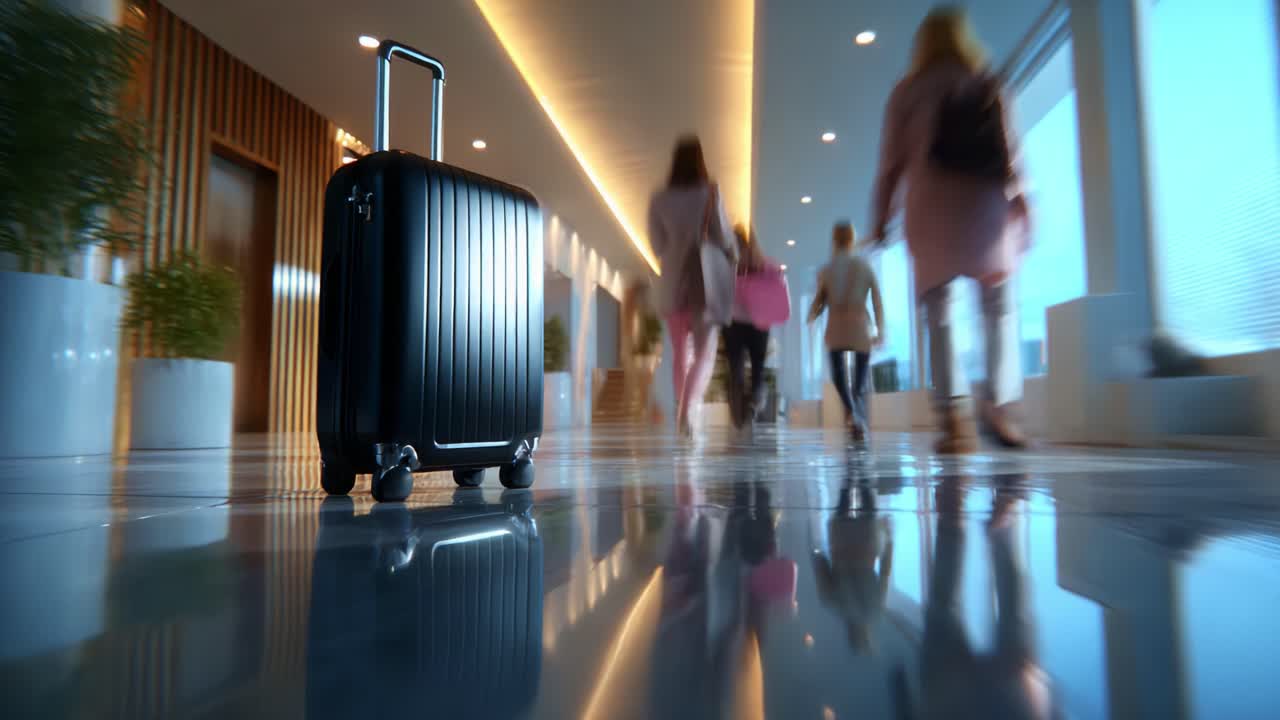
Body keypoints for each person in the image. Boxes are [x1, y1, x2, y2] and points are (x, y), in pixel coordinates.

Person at [869, 6, 1031, 453]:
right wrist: (1024, 207)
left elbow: (890, 167)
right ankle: (999, 405)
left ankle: (953, 419)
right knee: (997, 306)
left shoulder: (906, 92)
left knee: (938, 313)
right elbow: (1012, 156)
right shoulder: (987, 84)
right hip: (985, 208)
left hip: (930, 210)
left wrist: (880, 220)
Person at [649, 136, 738, 438]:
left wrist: (676, 247)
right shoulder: (710, 193)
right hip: (705, 282)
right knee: (704, 352)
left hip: (673, 283)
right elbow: (724, 237)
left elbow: (657, 245)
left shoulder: (658, 199)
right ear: (700, 159)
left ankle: (682, 409)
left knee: (679, 353)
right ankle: (688, 409)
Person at [808, 222, 885, 441]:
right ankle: (856, 412)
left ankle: (851, 411)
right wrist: (880, 329)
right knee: (860, 379)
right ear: (853, 238)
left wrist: (811, 316)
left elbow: (819, 300)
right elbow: (877, 301)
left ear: (833, 240)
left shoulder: (826, 269)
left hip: (837, 327)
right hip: (860, 327)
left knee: (838, 374)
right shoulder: (864, 266)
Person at [724, 225, 777, 429]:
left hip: (733, 323)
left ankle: (738, 420)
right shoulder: (761, 261)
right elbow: (776, 278)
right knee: (758, 370)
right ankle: (754, 405)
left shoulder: (728, 262)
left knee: (735, 369)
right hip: (759, 323)